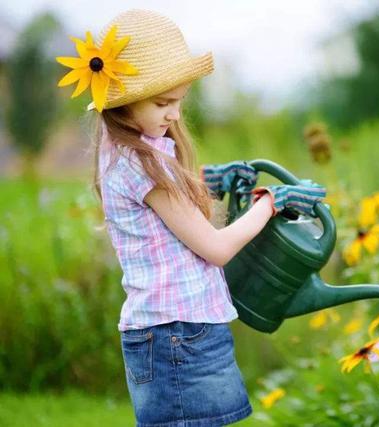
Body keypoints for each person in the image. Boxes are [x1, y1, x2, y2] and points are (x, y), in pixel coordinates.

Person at [55, 8, 325, 427]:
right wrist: (270, 202)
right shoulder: (147, 165)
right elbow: (217, 249)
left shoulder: (124, 150)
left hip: (174, 333)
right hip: (179, 336)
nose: (175, 115)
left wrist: (207, 180)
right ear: (124, 102)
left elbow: (162, 207)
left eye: (179, 102)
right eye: (163, 103)